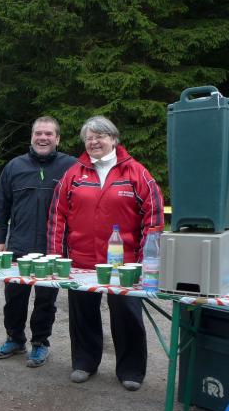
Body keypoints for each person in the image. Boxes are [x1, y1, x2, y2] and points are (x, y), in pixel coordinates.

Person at [47, 116, 164, 391]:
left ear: (113, 139)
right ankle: (84, 362)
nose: (93, 142)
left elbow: (154, 218)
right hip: (81, 261)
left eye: (99, 136)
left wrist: (147, 262)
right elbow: (57, 217)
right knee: (82, 314)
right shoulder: (73, 174)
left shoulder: (137, 173)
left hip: (125, 265)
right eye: (89, 138)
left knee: (127, 315)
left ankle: (131, 369)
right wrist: (56, 257)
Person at [0, 116, 76, 367]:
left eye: (49, 134)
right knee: (14, 298)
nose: (43, 138)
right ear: (31, 137)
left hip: (53, 248)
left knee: (46, 301)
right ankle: (15, 339)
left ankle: (40, 343)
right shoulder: (14, 167)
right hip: (18, 246)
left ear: (57, 138)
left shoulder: (72, 166)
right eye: (38, 133)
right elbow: (1, 206)